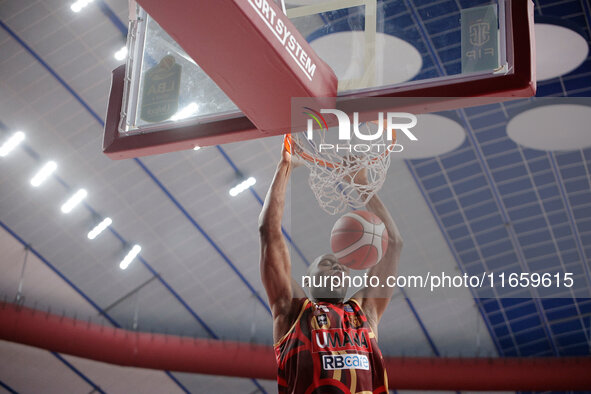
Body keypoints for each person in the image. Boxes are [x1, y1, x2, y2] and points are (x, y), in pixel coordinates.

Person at [259, 143, 403, 393]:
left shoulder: (363, 313)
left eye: (342, 266)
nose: (338, 267)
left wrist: (359, 183)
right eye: (327, 263)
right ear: (308, 280)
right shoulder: (293, 311)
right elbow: (269, 233)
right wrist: (285, 167)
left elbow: (393, 243)